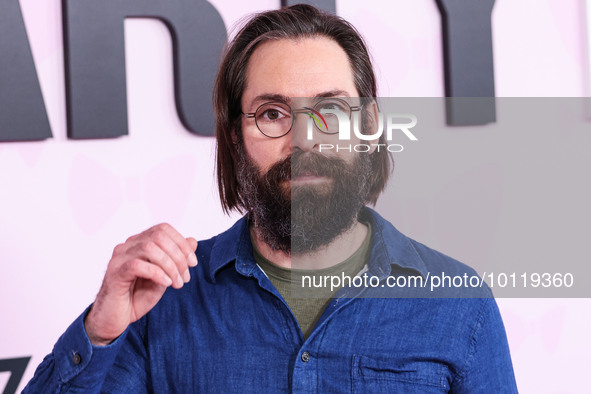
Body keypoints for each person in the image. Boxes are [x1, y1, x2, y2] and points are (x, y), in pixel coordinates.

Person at [25, 4, 517, 393]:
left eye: (329, 110)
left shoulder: (457, 302)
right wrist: (100, 331)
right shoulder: (164, 301)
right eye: (273, 113)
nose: (303, 140)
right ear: (235, 138)